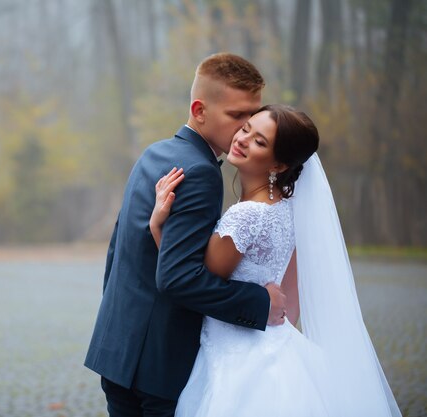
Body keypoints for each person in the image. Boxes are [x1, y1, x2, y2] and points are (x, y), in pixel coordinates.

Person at [150, 104, 401, 417]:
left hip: (236, 361)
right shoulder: (286, 208)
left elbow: (195, 280)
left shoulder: (246, 215)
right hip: (276, 346)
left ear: (279, 165)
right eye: (246, 129)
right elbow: (289, 299)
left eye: (259, 142)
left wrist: (158, 228)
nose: (242, 139)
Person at [84, 53, 288, 417]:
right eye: (237, 116)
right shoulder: (201, 173)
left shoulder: (154, 153)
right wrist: (260, 302)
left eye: (252, 117)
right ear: (200, 110)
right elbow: (177, 278)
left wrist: (120, 332)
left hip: (117, 350)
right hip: (158, 366)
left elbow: (117, 253)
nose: (245, 129)